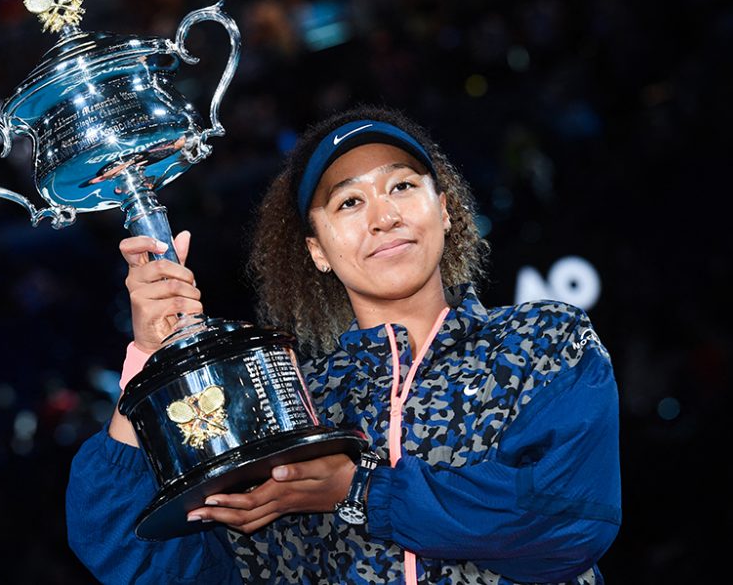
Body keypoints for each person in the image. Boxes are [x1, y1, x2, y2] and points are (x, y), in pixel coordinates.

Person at [66, 105, 621, 585]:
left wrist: (358, 491)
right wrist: (151, 360)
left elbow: (567, 520)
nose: (383, 217)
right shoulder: (285, 406)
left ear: (445, 211)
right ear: (317, 250)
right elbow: (136, 560)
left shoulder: (544, 341)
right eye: (348, 203)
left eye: (401, 186)